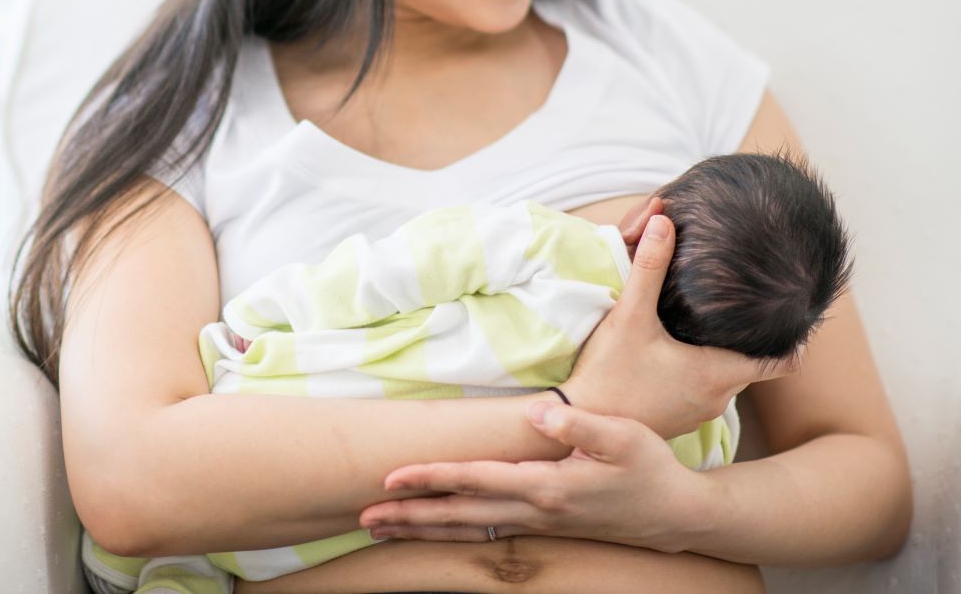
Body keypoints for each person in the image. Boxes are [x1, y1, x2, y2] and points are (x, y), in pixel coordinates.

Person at [9, 0, 910, 593]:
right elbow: (133, 477)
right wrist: (577, 419)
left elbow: (868, 480)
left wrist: (680, 509)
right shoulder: (184, 115)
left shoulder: (672, 63)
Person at [81, 152, 853, 592]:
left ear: (642, 220)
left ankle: (169, 569)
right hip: (329, 523)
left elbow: (395, 269)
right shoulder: (705, 418)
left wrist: (272, 315)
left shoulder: (552, 245)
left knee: (216, 547)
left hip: (301, 440)